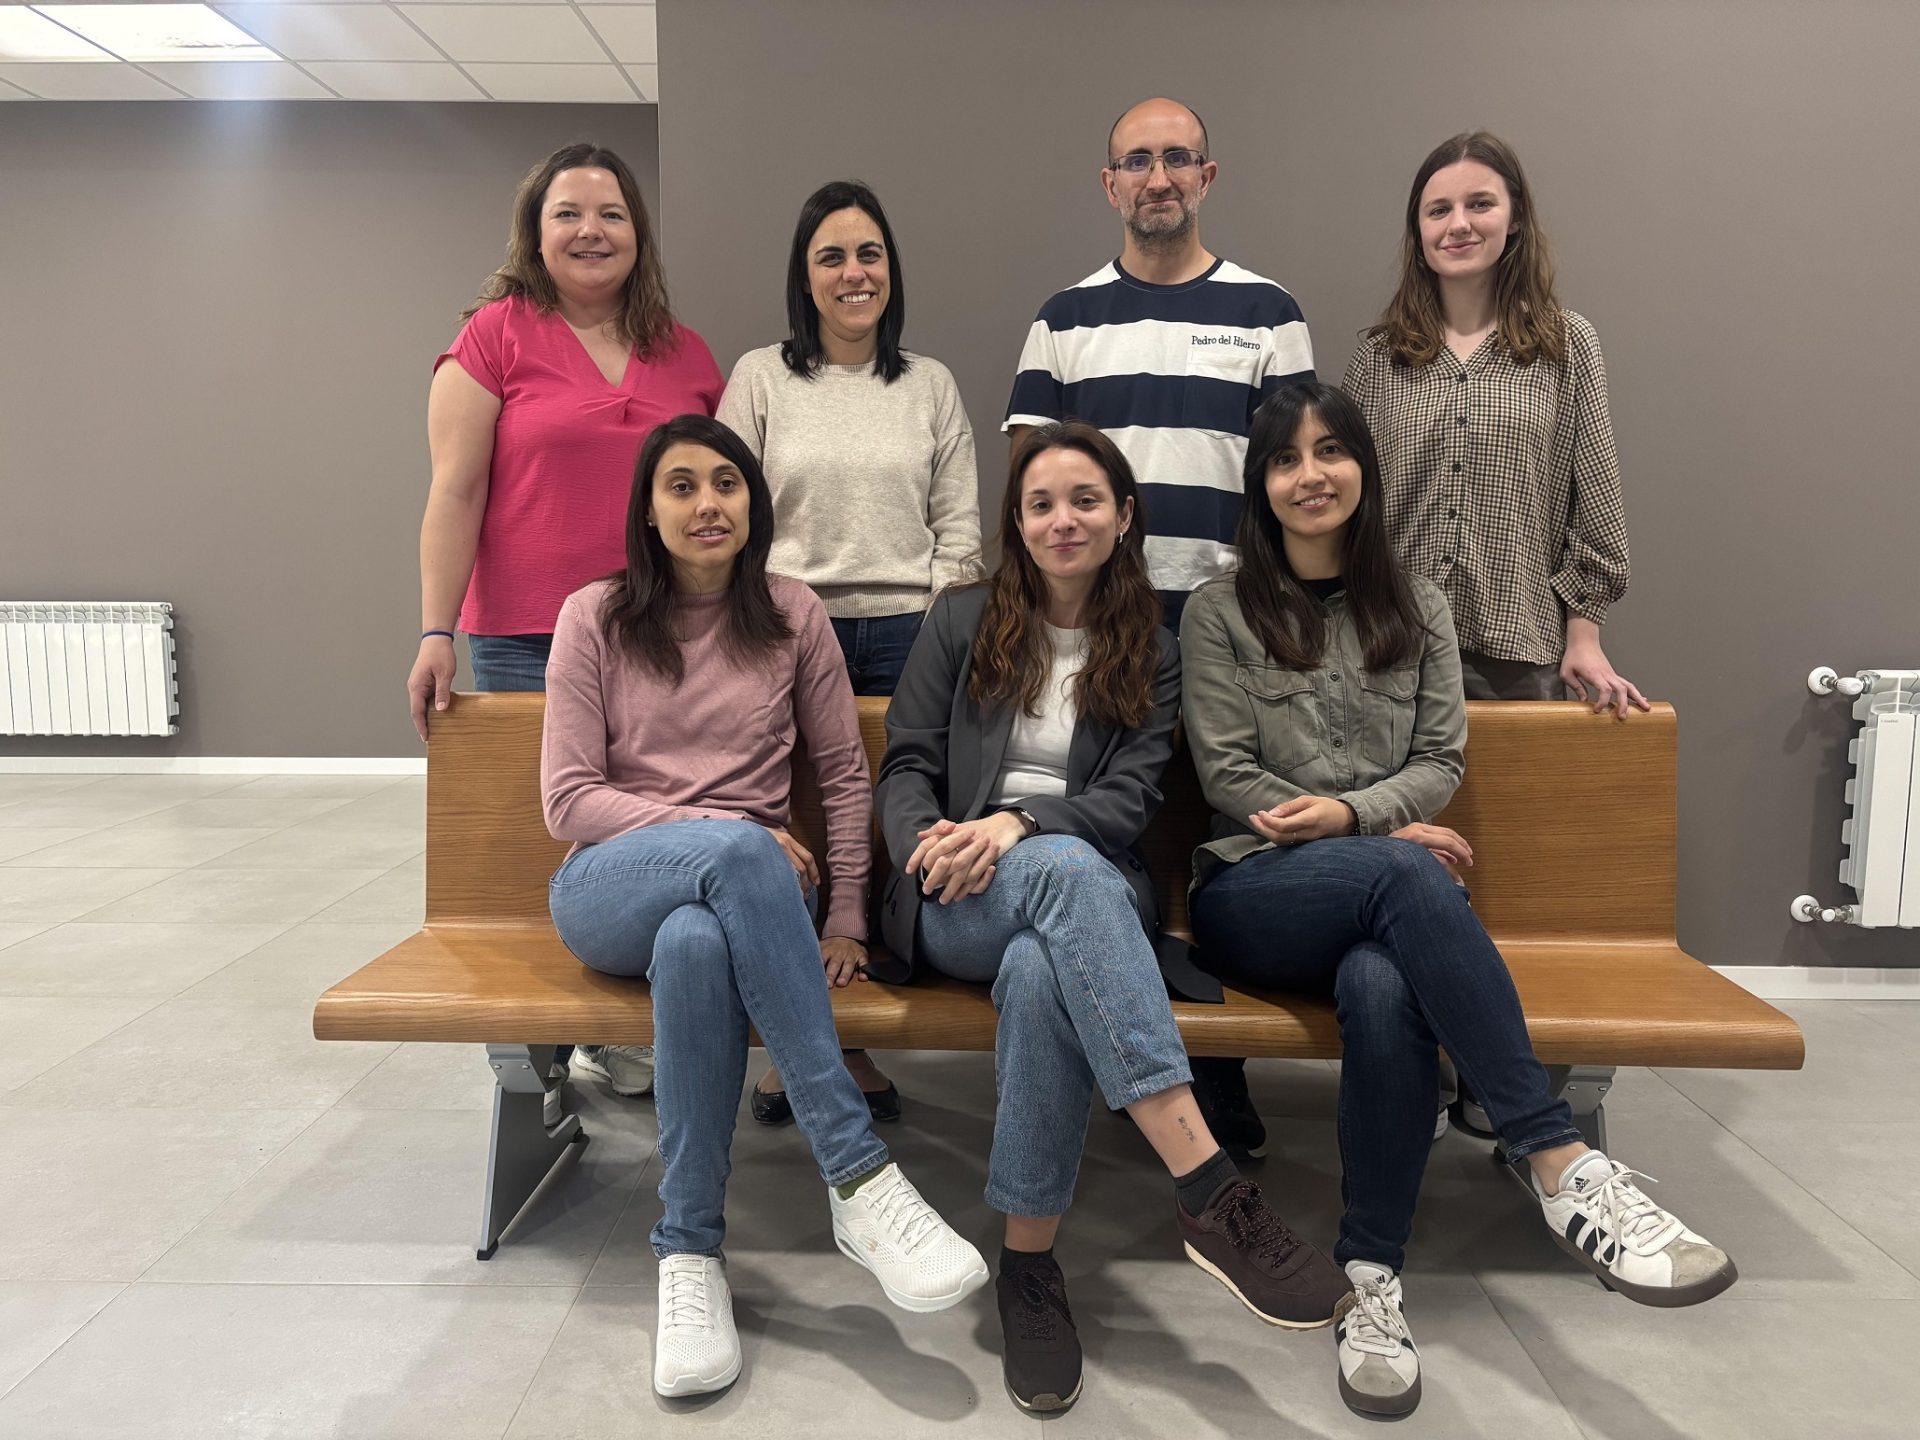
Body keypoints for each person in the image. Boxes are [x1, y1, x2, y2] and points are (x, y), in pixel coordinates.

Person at [1180, 381, 1737, 1420]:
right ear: (1260, 485)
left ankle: (1370, 1277)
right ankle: (1554, 1154)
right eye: (1287, 459)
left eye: (1332, 451)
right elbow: (1230, 776)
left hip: (1375, 901)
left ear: (1364, 467)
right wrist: (1372, 828)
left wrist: (1358, 821)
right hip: (1255, 891)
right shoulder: (1220, 612)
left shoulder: (1416, 605)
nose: (1311, 475)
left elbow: (1440, 758)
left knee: (1383, 985)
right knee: (1407, 872)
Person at [874, 420, 1349, 1413]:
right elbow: (908, 762)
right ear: (1017, 522)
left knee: (1044, 959)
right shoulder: (960, 619)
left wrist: (1019, 822)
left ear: (1124, 516)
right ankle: (1209, 1188)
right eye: (1041, 504)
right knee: (1055, 885)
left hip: (1083, 882)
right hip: (958, 893)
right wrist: (935, 844)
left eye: (1086, 500)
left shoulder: (1154, 650)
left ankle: (1028, 1268)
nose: (1064, 520)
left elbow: (1128, 803)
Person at [542, 414, 988, 1399]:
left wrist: (847, 918)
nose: (708, 504)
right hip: (609, 887)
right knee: (739, 852)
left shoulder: (792, 614)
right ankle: (858, 1174)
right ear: (648, 511)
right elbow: (568, 801)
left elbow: (842, 774)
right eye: (682, 486)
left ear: (754, 502)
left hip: (738, 902)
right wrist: (719, 827)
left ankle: (688, 1251)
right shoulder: (594, 616)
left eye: (727, 484)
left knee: (697, 944)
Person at [1002, 96, 1315, 1157]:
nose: (1158, 177)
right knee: (1117, 834)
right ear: (1111, 185)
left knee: (1226, 843)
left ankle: (1216, 1068)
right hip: (1104, 628)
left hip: (1234, 629)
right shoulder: (1064, 319)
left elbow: (1295, 478)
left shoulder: (1268, 312)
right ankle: (1118, 1047)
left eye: (1178, 158)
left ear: (1207, 176)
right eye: (1137, 161)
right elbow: (1034, 481)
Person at [409, 142, 724, 1103]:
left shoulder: (685, 351)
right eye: (569, 214)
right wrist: (434, 632)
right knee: (554, 834)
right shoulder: (493, 339)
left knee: (647, 829)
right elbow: (455, 492)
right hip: (527, 636)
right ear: (535, 232)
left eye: (611, 213)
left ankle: (632, 1017)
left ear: (638, 232)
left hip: (663, 636)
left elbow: (717, 494)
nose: (591, 230)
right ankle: (555, 1037)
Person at [719, 179, 984, 1126]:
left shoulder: (929, 384)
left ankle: (859, 1034)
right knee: (787, 822)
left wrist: (944, 627)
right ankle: (801, 1044)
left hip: (911, 632)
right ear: (805, 276)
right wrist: (764, 611)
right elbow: (727, 511)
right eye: (830, 256)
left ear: (891, 269)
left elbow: (960, 530)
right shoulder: (760, 378)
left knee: (880, 824)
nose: (853, 272)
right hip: (786, 626)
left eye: (869, 253)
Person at [1343, 131, 1649, 716]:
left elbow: (1597, 501)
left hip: (1518, 651)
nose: (1458, 224)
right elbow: (1346, 508)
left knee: (1518, 782)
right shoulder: (1378, 358)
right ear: (1419, 233)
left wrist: (1585, 635)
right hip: (1386, 650)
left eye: (1480, 204)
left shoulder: (1567, 345)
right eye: (1439, 210)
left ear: (1515, 219)